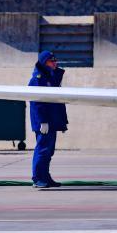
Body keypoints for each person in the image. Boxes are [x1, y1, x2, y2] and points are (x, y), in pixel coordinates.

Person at [29, 50, 68, 189]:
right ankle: (38, 178)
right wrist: (43, 121)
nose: (55, 63)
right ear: (45, 62)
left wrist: (56, 71)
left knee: (49, 151)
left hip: (51, 120)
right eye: (52, 61)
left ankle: (45, 177)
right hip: (44, 122)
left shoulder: (49, 77)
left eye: (55, 61)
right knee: (43, 149)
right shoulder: (38, 79)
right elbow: (37, 102)